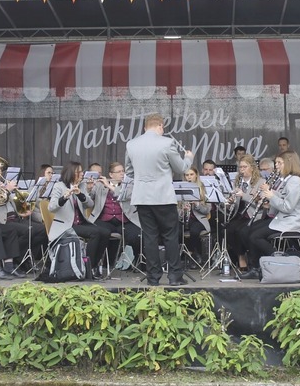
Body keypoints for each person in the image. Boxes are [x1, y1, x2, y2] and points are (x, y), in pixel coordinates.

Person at [125, 113, 194, 286]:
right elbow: (181, 168)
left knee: (150, 237)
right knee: (170, 236)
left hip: (142, 197)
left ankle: (153, 278)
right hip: (163, 196)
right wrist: (189, 158)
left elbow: (129, 172)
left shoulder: (131, 145)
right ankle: (174, 277)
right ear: (160, 126)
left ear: (145, 127)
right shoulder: (167, 143)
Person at [241, 150, 300, 279]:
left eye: (279, 163)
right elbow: (282, 199)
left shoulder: (294, 181)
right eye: (276, 163)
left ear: (289, 164)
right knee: (249, 230)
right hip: (282, 219)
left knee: (255, 237)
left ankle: (280, 259)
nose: (277, 166)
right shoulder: (287, 180)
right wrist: (269, 198)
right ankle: (257, 267)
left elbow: (287, 207)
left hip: (290, 222)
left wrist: (271, 196)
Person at [0, 157, 48, 276]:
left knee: (42, 230)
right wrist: (7, 190)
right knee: (28, 231)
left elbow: (12, 202)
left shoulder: (0, 183)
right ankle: (17, 260)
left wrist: (22, 211)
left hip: (14, 217)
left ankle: (20, 257)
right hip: (2, 221)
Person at [48, 161, 111, 280]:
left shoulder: (82, 185)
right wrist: (65, 197)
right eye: (79, 172)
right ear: (72, 173)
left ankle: (95, 264)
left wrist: (80, 194)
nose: (82, 174)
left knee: (105, 232)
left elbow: (90, 203)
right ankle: (88, 266)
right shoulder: (59, 186)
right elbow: (51, 207)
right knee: (95, 233)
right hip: (66, 226)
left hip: (80, 223)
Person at [88, 161, 142, 267]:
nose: (122, 174)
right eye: (119, 172)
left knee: (137, 235)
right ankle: (94, 264)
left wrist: (109, 186)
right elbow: (89, 199)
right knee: (101, 232)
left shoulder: (129, 185)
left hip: (124, 220)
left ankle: (139, 261)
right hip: (105, 220)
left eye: (123, 171)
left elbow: (125, 196)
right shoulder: (99, 185)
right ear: (111, 174)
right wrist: (89, 188)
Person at [225, 154, 265, 270]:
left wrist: (244, 195)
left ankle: (251, 258)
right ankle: (241, 256)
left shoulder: (260, 182)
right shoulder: (238, 181)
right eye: (240, 167)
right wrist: (231, 201)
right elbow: (236, 201)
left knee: (240, 231)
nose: (242, 170)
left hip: (253, 215)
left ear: (252, 168)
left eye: (244, 167)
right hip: (240, 214)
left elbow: (260, 203)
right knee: (228, 230)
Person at [179, 167, 211, 268]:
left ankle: (195, 255)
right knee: (175, 231)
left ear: (196, 175)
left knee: (194, 231)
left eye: (191, 174)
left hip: (199, 219)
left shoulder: (202, 188)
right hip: (184, 218)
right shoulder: (180, 188)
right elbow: (176, 210)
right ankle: (180, 257)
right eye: (187, 175)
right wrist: (182, 210)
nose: (189, 177)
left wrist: (197, 205)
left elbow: (207, 210)